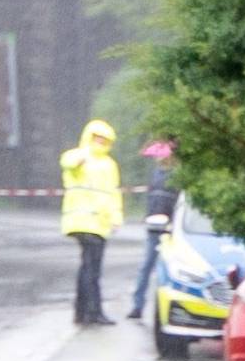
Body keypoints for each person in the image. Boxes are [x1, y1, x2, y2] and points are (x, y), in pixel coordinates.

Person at [60, 119, 123, 325]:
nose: (100, 142)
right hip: (83, 222)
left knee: (87, 267)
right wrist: (82, 155)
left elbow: (113, 193)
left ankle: (81, 312)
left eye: (104, 139)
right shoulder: (79, 157)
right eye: (97, 138)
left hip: (99, 225)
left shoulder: (109, 164)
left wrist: (115, 218)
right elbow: (67, 162)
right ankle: (93, 312)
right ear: (89, 136)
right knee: (91, 269)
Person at [126, 140, 179, 321]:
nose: (159, 159)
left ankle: (164, 310)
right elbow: (152, 197)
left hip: (169, 229)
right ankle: (137, 305)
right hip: (153, 227)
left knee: (166, 271)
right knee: (146, 267)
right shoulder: (155, 174)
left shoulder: (176, 176)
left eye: (162, 156)